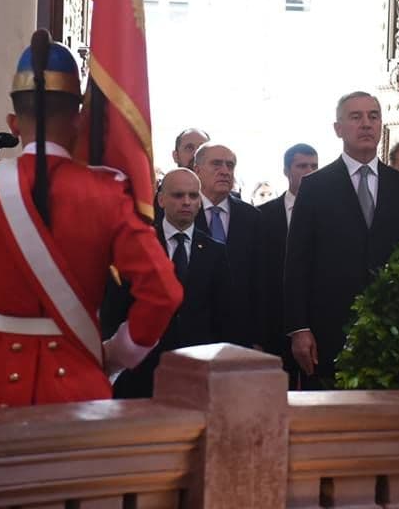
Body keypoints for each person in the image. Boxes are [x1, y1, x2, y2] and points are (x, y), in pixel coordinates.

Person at [0, 36, 183, 410]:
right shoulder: (107, 192)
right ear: (79, 119)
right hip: (75, 391)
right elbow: (163, 292)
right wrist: (118, 353)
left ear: (13, 123)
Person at [284, 91, 399, 388]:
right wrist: (299, 328)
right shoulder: (315, 186)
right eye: (356, 117)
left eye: (373, 116)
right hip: (329, 330)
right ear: (338, 128)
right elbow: (296, 263)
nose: (366, 124)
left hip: (391, 331)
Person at [101, 168, 233, 398]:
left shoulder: (215, 251)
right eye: (178, 195)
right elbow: (114, 308)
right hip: (142, 369)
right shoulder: (138, 246)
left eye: (193, 196)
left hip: (197, 367)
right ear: (161, 200)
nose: (186, 202)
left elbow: (223, 313)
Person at [260, 143, 318, 386]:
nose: (309, 172)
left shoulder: (327, 212)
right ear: (286, 171)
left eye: (314, 166)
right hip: (274, 322)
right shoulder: (263, 215)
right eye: (302, 166)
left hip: (315, 321)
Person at [193, 143, 262, 347]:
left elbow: (262, 282)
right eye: (216, 164)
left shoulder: (253, 218)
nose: (225, 171)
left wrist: (260, 338)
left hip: (241, 334)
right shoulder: (182, 213)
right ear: (197, 170)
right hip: (192, 334)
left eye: (230, 165)